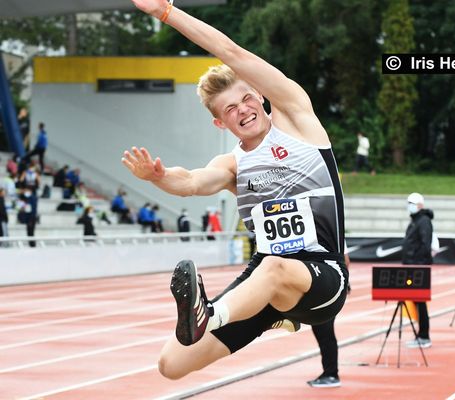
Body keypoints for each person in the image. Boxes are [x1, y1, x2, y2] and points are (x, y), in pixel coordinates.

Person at [123, 0, 348, 380]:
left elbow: (231, 52)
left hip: (323, 277)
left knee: (274, 267)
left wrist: (167, 14)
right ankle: (268, 317)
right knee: (171, 365)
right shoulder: (232, 165)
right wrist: (157, 176)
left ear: (260, 95)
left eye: (246, 98)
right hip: (266, 284)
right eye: (230, 110)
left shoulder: (296, 119)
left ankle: (209, 314)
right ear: (219, 123)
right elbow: (192, 182)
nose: (243, 110)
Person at [307, 250, 351, 388]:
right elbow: (346, 258)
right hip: (327, 284)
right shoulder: (332, 233)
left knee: (325, 332)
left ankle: (331, 374)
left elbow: (346, 258)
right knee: (323, 331)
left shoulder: (326, 233)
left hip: (326, 286)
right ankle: (330, 372)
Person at [402, 192, 433, 349]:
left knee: (420, 302)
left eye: (412, 203)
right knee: (415, 301)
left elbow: (425, 245)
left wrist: (416, 264)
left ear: (420, 205)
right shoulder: (415, 221)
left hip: (418, 268)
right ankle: (421, 334)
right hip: (412, 266)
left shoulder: (424, 221)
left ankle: (424, 335)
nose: (409, 206)